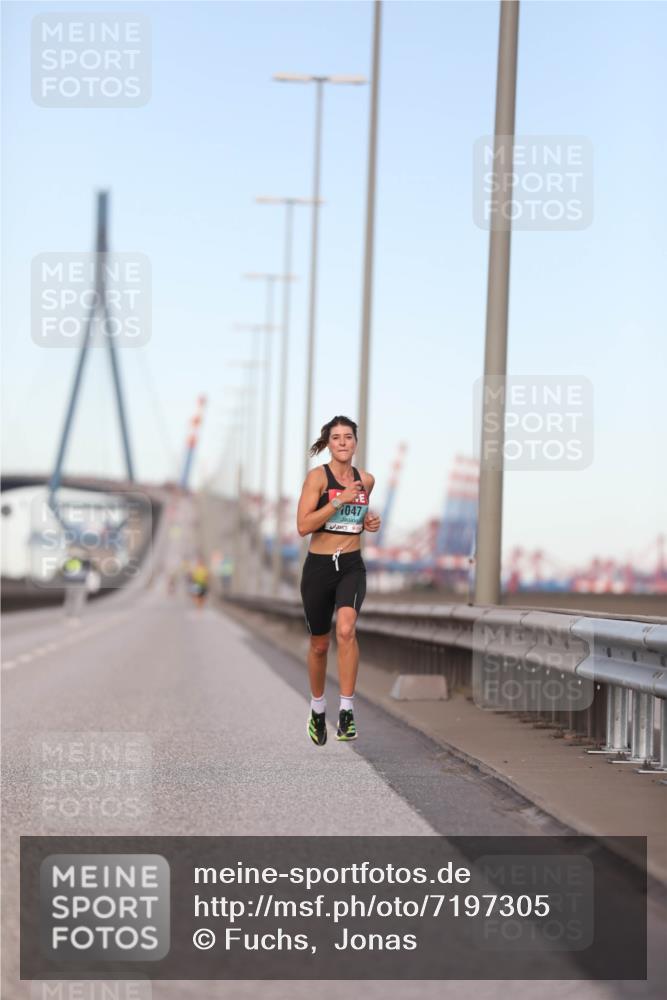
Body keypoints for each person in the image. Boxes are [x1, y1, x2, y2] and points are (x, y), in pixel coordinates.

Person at [296, 415, 381, 747]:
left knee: (346, 630)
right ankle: (318, 709)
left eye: (348, 437)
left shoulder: (366, 480)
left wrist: (368, 522)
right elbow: (303, 526)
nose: (343, 442)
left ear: (356, 442)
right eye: (336, 438)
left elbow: (355, 519)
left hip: (351, 566)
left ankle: (346, 711)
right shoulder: (317, 478)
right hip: (318, 568)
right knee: (320, 645)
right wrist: (337, 500)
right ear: (329, 444)